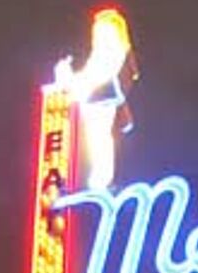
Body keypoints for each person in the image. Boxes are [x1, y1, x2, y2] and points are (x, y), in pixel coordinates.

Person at [54, 8, 139, 189]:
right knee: (93, 140)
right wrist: (66, 75)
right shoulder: (99, 57)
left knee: (100, 139)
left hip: (101, 102)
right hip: (92, 103)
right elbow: (85, 79)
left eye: (104, 32)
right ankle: (95, 181)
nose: (100, 37)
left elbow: (95, 80)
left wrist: (71, 81)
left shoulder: (114, 54)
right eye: (98, 33)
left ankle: (101, 181)